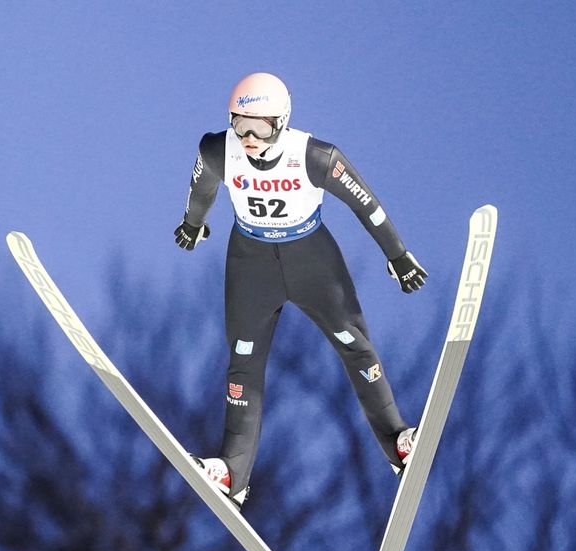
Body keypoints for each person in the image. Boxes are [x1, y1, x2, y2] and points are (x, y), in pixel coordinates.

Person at [175, 71, 427, 508]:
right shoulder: (217, 148)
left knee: (355, 345)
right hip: (251, 263)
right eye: (240, 125)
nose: (249, 137)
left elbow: (366, 204)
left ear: (282, 122)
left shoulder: (315, 156)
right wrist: (193, 225)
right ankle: (232, 474)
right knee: (244, 363)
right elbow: (201, 188)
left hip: (311, 259)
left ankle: (398, 443)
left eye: (261, 127)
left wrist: (398, 255)